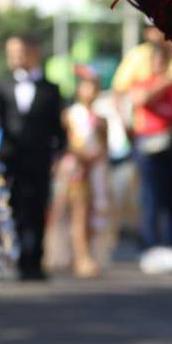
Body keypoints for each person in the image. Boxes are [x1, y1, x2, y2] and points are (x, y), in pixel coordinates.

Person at [113, 27, 172, 274]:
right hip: (148, 141)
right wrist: (166, 83)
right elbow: (137, 98)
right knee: (151, 196)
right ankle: (150, 246)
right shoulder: (139, 64)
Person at [0, 34, 64, 281]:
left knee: (38, 210)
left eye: (20, 52)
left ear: (34, 53)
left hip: (40, 161)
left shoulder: (51, 89)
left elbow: (58, 129)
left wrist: (59, 156)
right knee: (14, 210)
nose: (15, 58)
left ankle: (35, 260)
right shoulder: (1, 87)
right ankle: (17, 257)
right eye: (11, 53)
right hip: (10, 161)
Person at [55, 70, 108, 278]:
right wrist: (83, 157)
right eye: (87, 86)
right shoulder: (70, 115)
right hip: (76, 170)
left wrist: (94, 158)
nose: (91, 91)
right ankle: (81, 257)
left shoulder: (101, 119)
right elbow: (66, 143)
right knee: (79, 214)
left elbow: (105, 145)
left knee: (94, 214)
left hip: (96, 170)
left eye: (95, 86)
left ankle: (90, 253)